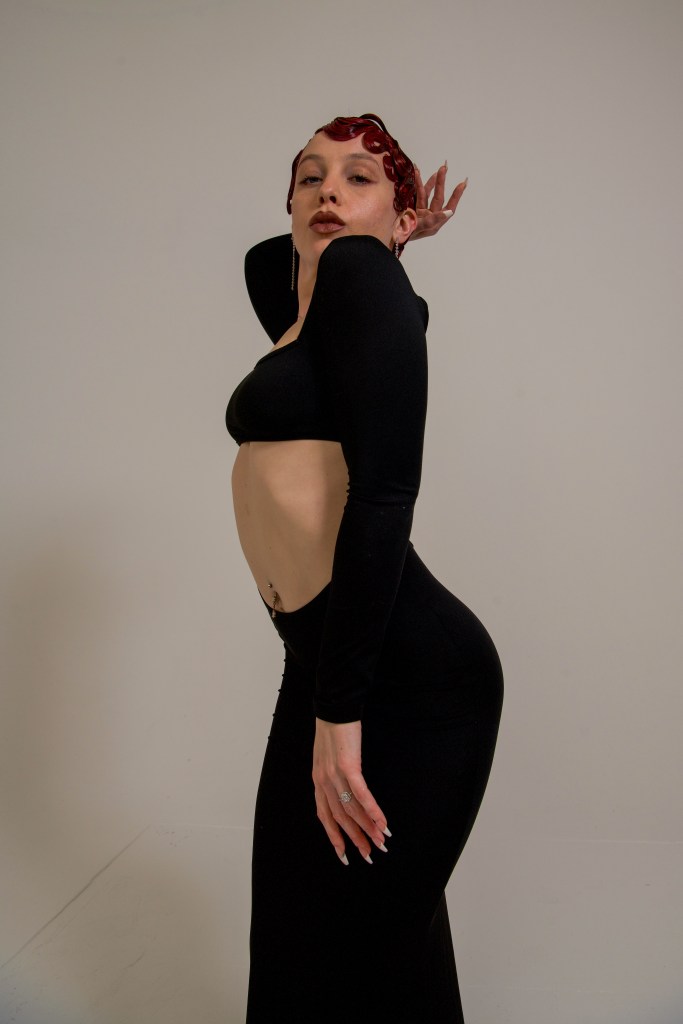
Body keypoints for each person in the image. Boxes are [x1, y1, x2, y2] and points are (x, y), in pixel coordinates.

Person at [226, 114, 504, 1024]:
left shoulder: (361, 275)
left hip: (408, 680)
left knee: (359, 945)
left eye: (359, 178)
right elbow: (267, 260)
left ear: (398, 213)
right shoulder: (309, 308)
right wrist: (383, 227)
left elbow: (384, 494)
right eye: (309, 178)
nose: (326, 194)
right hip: (319, 660)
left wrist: (340, 715)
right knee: (297, 928)